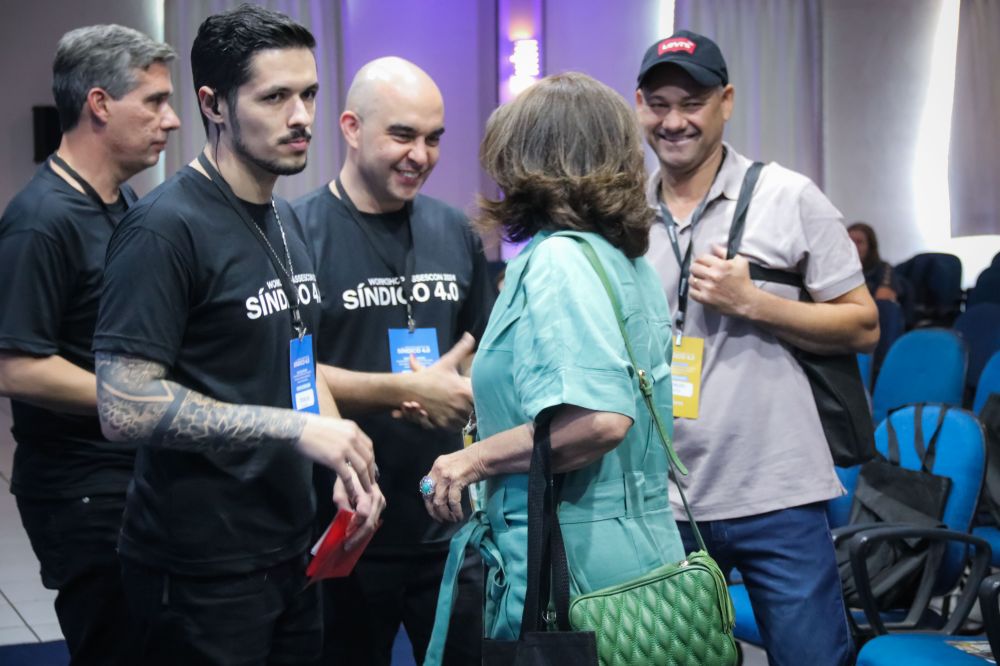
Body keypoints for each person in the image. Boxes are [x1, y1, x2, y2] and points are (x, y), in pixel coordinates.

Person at [91, 6, 384, 663]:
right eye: (275, 97)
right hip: (199, 566)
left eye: (309, 93)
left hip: (291, 544)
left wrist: (340, 458)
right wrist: (294, 429)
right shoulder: (164, 228)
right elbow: (123, 404)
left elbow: (297, 361)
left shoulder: (285, 217)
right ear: (213, 104)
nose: (301, 116)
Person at [421, 72, 686, 659]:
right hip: (639, 558)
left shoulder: (558, 261)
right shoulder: (626, 262)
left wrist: (469, 460)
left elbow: (599, 420)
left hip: (568, 571)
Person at [635, 30, 879, 666]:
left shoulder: (789, 197)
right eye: (659, 104)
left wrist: (754, 303)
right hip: (664, 498)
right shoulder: (624, 214)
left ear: (727, 102)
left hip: (777, 491)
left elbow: (863, 325)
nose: (674, 121)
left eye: (692, 103)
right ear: (639, 106)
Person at [293, 56, 493, 665]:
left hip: (449, 524)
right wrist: (407, 389)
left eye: (433, 138)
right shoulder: (297, 233)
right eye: (402, 135)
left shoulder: (453, 230)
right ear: (351, 128)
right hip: (348, 522)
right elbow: (290, 372)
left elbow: (478, 342)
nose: (421, 156)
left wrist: (460, 386)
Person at [0, 24, 179, 664]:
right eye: (154, 102)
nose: (172, 119)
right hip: (82, 492)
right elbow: (16, 368)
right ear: (99, 104)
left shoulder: (120, 201)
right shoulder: (41, 221)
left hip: (131, 474)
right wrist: (142, 398)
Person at [848, 221, 900, 301]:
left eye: (859, 242)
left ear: (870, 246)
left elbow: (883, 295)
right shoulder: (835, 270)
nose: (853, 246)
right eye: (849, 242)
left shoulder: (883, 268)